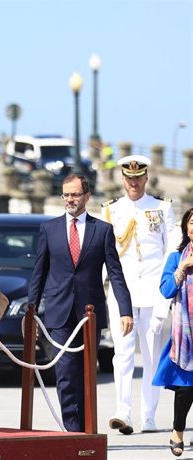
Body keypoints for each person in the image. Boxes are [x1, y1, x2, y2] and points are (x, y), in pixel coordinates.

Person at [27, 174, 134, 432]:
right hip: (58, 312)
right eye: (65, 194)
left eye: (75, 194)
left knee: (86, 373)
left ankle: (86, 430)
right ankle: (72, 431)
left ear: (87, 196)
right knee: (65, 373)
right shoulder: (49, 229)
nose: (70, 199)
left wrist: (125, 310)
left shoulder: (103, 230)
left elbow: (116, 274)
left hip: (89, 314)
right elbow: (39, 273)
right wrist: (31, 310)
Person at [101, 155, 176, 434]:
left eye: (138, 177)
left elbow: (171, 252)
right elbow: (105, 255)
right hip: (122, 293)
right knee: (122, 354)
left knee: (151, 355)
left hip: (153, 291)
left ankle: (149, 415)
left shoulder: (161, 208)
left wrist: (165, 297)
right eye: (129, 178)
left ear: (146, 178)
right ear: (123, 180)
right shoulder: (110, 210)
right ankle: (123, 411)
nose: (134, 183)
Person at [153, 207, 193, 457]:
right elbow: (166, 290)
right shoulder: (176, 256)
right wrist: (183, 268)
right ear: (186, 227)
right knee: (186, 387)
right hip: (186, 334)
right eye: (192, 222)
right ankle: (177, 431)